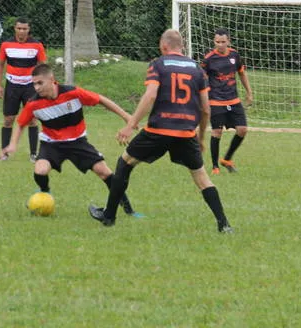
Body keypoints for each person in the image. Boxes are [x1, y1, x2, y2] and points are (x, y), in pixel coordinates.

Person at [88, 29, 233, 233]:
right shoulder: (197, 69)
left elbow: (150, 96)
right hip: (185, 133)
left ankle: (109, 216)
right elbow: (206, 109)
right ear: (181, 46)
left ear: (163, 45)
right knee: (201, 178)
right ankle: (223, 224)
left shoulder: (158, 64)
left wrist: (131, 125)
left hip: (158, 130)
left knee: (125, 162)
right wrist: (200, 138)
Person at [1, 64, 138, 216]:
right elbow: (20, 124)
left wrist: (127, 117)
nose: (36, 87)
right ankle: (45, 192)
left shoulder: (73, 93)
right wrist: (13, 144)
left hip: (77, 142)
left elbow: (101, 100)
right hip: (51, 144)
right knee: (40, 170)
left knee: (104, 172)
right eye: (34, 84)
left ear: (52, 80)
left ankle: (129, 210)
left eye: (40, 83)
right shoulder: (33, 103)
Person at [201, 28, 252, 175]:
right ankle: (215, 167)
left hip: (233, 100)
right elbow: (202, 79)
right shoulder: (209, 59)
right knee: (217, 132)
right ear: (214, 41)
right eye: (217, 42)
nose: (220, 45)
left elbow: (241, 73)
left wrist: (249, 92)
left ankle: (227, 159)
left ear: (228, 41)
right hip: (216, 101)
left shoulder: (235, 55)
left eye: (223, 42)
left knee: (242, 130)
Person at [0, 17, 46, 162]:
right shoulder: (6, 44)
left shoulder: (36, 46)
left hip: (30, 87)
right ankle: (4, 153)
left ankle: (33, 154)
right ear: (14, 29)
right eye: (19, 28)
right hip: (12, 86)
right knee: (8, 120)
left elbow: (43, 66)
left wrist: (42, 86)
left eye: (24, 29)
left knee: (32, 120)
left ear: (28, 30)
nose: (21, 31)